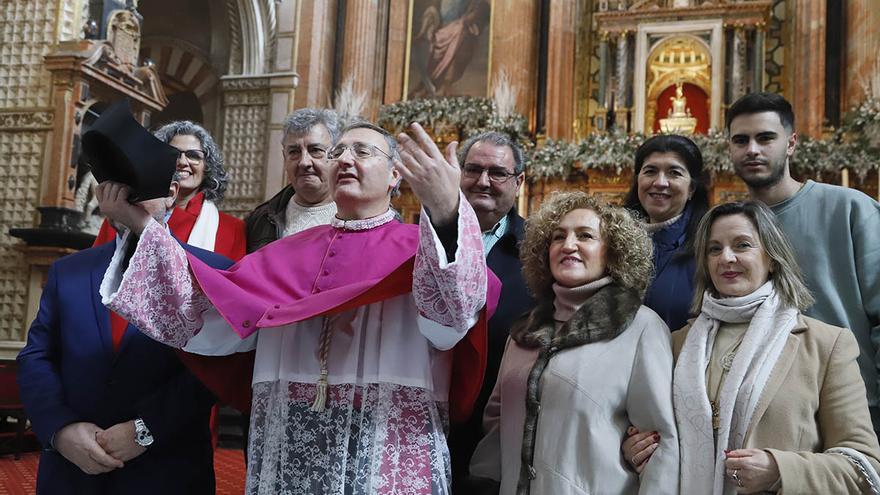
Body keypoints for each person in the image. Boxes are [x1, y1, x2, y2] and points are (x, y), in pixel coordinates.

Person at [96, 121, 500, 494]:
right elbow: (206, 322)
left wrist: (447, 214)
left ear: (396, 175)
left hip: (384, 449)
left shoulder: (424, 250)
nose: (344, 159)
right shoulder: (284, 253)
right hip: (293, 446)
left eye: (363, 151)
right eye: (338, 151)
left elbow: (449, 322)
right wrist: (140, 225)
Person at [627, 201, 880, 493]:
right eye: (714, 249)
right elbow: (650, 435)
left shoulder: (826, 345)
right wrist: (636, 450)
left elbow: (865, 466)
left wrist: (779, 470)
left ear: (772, 258)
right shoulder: (674, 343)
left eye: (742, 245)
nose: (726, 258)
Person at [16, 173, 232, 495]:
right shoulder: (69, 270)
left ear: (171, 192)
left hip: (166, 469)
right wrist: (61, 429)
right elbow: (37, 356)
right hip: (71, 471)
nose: (122, 198)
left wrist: (147, 428)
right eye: (116, 186)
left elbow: (214, 366)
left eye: (137, 187)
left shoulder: (210, 270)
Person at [470, 192, 679, 494]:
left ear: (613, 251)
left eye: (585, 236)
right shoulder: (525, 330)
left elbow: (659, 445)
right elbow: (496, 427)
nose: (568, 245)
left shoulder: (640, 327)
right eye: (558, 237)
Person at [725, 92, 880, 434]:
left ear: (791, 143)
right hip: (769, 417)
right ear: (730, 150)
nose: (752, 149)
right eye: (741, 140)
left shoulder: (850, 209)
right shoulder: (731, 228)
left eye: (765, 138)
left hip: (855, 410)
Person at [448, 131, 534, 489]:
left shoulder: (538, 251)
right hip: (428, 414)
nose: (483, 181)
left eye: (497, 173)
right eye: (473, 170)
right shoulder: (427, 236)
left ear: (519, 182)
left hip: (502, 418)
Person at [93, 120, 246, 261]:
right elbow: (95, 267)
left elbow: (229, 285)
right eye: (174, 154)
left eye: (193, 156)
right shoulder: (123, 213)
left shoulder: (232, 229)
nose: (182, 162)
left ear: (208, 167)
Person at [624, 134, 709, 331]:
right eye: (650, 171)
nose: (660, 182)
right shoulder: (611, 239)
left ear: (692, 189)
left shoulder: (709, 246)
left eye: (674, 173)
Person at [245, 108, 340, 253]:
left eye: (315, 150)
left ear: (336, 155)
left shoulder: (358, 216)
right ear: (285, 158)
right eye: (294, 152)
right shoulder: (259, 220)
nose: (304, 162)